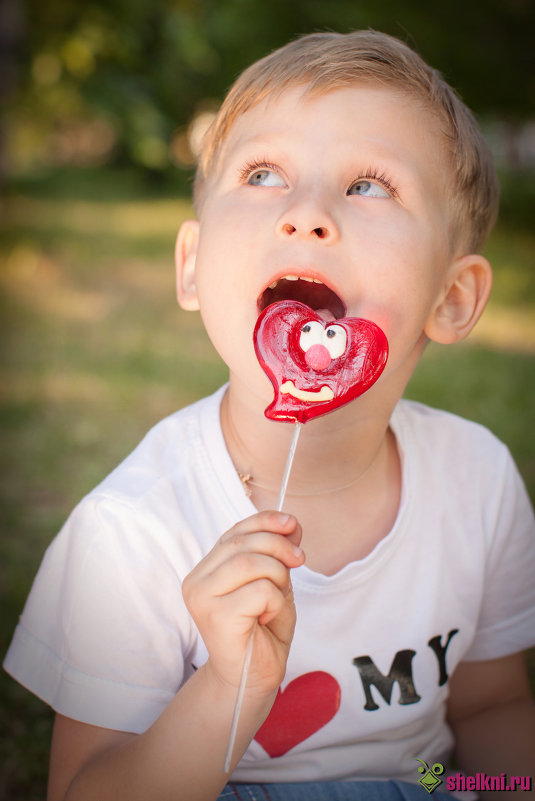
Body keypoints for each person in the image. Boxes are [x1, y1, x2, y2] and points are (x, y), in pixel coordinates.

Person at [4, 30, 535, 801]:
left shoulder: (476, 479)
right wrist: (227, 688)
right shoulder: (133, 529)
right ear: (191, 266)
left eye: (369, 185)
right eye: (263, 174)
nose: (307, 213)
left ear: (451, 299)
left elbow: (489, 707)